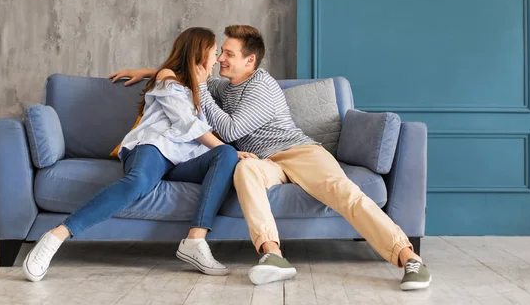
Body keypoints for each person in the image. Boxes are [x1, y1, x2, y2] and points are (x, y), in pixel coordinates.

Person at [110, 25, 432, 291]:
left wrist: (203, 88)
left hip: (298, 152)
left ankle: (408, 258)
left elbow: (232, 129)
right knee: (245, 169)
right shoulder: (226, 86)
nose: (220, 58)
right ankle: (273, 255)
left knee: (343, 192)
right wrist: (153, 72)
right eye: (220, 52)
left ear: (250, 61)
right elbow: (193, 72)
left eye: (228, 54)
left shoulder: (261, 85)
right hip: (264, 161)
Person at [23, 27, 251, 282]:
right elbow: (187, 122)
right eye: (214, 52)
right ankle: (57, 235)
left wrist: (144, 72)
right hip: (153, 147)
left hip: (183, 159)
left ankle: (195, 242)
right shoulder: (169, 78)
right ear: (198, 54)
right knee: (140, 182)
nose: (217, 60)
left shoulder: (201, 85)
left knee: (226, 156)